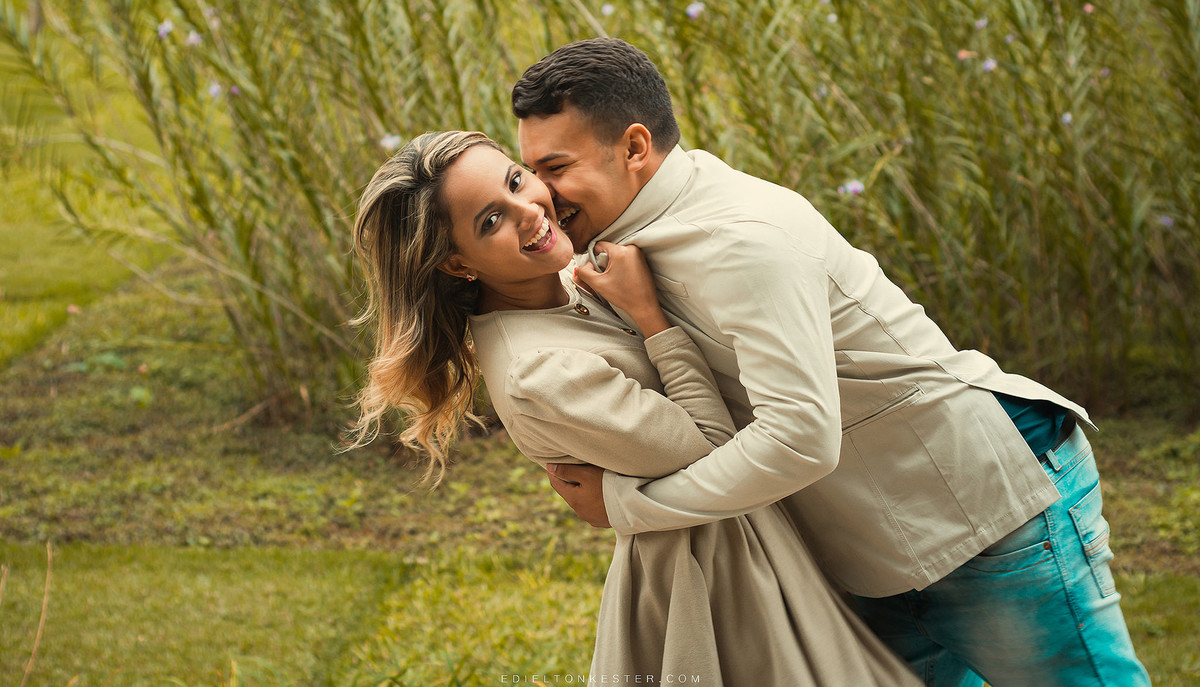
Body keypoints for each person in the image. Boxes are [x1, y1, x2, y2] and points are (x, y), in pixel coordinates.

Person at [511, 37, 1150, 687]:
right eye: (530, 167)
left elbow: (799, 439)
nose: (540, 190)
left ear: (635, 148)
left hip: (986, 516)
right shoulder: (618, 239)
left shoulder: (740, 239)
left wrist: (626, 504)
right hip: (864, 547)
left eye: (555, 166)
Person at [349, 130, 921, 685]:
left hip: (744, 533)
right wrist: (651, 319)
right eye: (491, 221)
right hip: (719, 576)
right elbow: (714, 447)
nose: (528, 210)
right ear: (456, 264)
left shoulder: (568, 283)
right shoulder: (541, 372)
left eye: (517, 181)